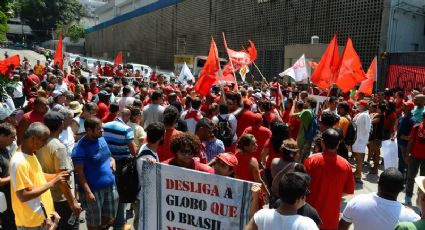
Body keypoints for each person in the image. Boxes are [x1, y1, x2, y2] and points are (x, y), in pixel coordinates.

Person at [9, 122, 68, 229]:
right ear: (33, 139)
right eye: (44, 140)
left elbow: (38, 176)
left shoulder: (31, 153)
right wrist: (52, 183)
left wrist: (57, 177)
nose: (45, 143)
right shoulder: (19, 162)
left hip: (43, 218)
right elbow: (23, 195)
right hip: (31, 223)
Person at [36, 111, 82, 230]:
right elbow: (62, 179)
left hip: (47, 195)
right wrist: (73, 203)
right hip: (62, 199)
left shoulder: (40, 142)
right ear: (61, 124)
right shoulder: (59, 147)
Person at [72, 117, 118, 230]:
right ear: (89, 130)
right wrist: (88, 192)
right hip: (93, 191)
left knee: (109, 217)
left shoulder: (101, 139)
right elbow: (79, 173)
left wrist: (112, 160)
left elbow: (108, 155)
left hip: (110, 186)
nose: (102, 131)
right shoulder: (80, 148)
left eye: (102, 128)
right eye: (98, 129)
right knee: (94, 221)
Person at [304, 128, 354, 229]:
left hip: (309, 215)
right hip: (331, 218)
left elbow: (302, 185)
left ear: (322, 142)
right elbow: (348, 191)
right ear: (338, 144)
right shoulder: (346, 165)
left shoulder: (312, 160)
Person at [339, 168, 420, 230]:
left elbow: (342, 226)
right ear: (401, 189)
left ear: (379, 184)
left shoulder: (357, 201)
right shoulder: (411, 217)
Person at [245, 172, 318, 230]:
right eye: (306, 194)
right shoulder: (307, 225)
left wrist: (255, 198)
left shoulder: (261, 215)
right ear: (298, 199)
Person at [102, 108, 137, 230]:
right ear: (127, 117)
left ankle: (106, 221)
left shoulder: (105, 126)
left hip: (106, 163)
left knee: (108, 194)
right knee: (121, 195)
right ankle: (119, 225)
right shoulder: (127, 129)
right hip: (121, 166)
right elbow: (133, 151)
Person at [134, 122, 165, 230]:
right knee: (141, 224)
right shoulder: (148, 156)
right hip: (143, 197)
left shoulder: (145, 147)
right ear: (161, 137)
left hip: (142, 196)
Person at [405, 112, 425, 205]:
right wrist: (407, 154)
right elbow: (410, 142)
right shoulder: (416, 127)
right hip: (414, 156)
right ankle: (408, 197)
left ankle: (420, 199)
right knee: (410, 177)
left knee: (423, 180)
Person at [0, 123, 17, 230]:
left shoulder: (5, 148)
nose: (14, 139)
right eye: (12, 137)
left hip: (10, 195)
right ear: (2, 136)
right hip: (2, 197)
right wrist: (15, 176)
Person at [290, 96, 317, 162]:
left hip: (302, 138)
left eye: (305, 101)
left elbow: (291, 115)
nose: (304, 103)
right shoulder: (313, 113)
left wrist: (293, 104)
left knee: (298, 159)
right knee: (304, 159)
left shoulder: (306, 112)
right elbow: (298, 119)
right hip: (308, 138)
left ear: (309, 103)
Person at [352, 100, 371, 183]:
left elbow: (367, 128)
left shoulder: (364, 115)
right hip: (358, 139)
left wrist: (363, 138)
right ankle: (357, 172)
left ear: (363, 106)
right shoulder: (361, 114)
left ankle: (358, 175)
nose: (358, 106)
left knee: (359, 158)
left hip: (360, 139)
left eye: (359, 105)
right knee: (357, 157)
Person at [398, 101, 416, 177]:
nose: (402, 106)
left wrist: (405, 137)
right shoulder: (403, 117)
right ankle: (400, 177)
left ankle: (405, 179)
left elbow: (414, 136)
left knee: (405, 163)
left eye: (404, 105)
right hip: (400, 143)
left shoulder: (412, 120)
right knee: (401, 161)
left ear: (409, 108)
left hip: (405, 146)